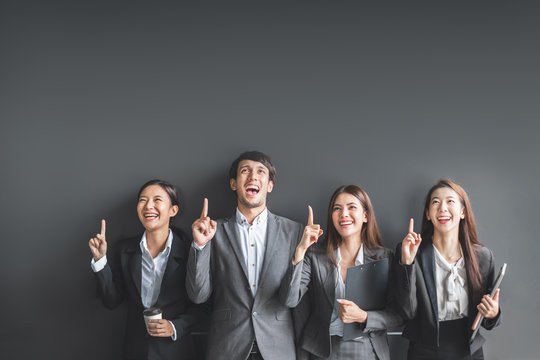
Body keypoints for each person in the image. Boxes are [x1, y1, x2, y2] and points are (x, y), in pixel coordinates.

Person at [186, 151, 304, 360]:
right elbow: (198, 295)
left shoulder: (294, 232)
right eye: (245, 171)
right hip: (227, 347)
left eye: (261, 171)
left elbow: (292, 299)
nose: (253, 177)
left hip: (278, 349)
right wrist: (199, 246)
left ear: (269, 185)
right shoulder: (213, 230)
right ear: (233, 184)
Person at [88, 179, 208, 360]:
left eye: (157, 200)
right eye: (143, 200)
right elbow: (112, 301)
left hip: (176, 351)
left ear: (173, 210)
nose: (148, 206)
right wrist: (100, 261)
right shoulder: (124, 250)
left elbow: (202, 306)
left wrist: (175, 326)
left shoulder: (190, 251)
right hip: (135, 350)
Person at [280, 184, 402, 360]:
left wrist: (364, 316)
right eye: (337, 209)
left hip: (368, 350)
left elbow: (398, 314)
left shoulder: (384, 257)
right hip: (323, 351)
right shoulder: (314, 256)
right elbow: (289, 299)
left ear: (365, 216)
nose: (344, 214)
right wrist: (301, 249)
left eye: (351, 207)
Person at [394, 179, 501, 360]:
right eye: (435, 202)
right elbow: (406, 312)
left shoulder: (483, 257)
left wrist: (493, 313)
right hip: (424, 351)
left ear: (463, 212)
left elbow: (489, 321)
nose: (442, 208)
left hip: (469, 350)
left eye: (450, 201)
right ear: (428, 214)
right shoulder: (411, 251)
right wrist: (407, 264)